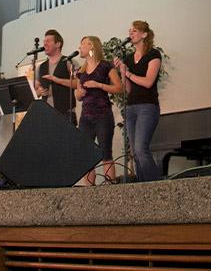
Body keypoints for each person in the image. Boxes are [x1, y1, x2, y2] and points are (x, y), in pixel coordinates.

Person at [113, 20, 163, 181]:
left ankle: (155, 186)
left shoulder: (153, 54)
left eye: (134, 31)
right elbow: (128, 89)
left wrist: (128, 73)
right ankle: (143, 189)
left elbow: (148, 82)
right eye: (130, 31)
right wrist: (122, 71)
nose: (131, 33)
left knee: (141, 149)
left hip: (147, 107)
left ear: (144, 34)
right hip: (131, 107)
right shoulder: (128, 58)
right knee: (135, 152)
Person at [72, 35, 121, 184]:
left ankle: (110, 189)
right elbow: (78, 95)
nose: (79, 48)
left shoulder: (106, 66)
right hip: (86, 117)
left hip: (103, 115)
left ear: (91, 46)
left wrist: (99, 85)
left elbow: (119, 88)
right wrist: (79, 93)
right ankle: (89, 193)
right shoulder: (81, 71)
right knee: (87, 156)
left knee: (106, 152)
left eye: (82, 45)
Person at [35, 29, 76, 123]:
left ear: (58, 44)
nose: (45, 44)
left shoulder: (69, 62)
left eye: (48, 41)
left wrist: (57, 80)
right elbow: (35, 90)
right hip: (46, 113)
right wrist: (39, 92)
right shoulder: (41, 67)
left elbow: (77, 84)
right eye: (44, 42)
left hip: (66, 113)